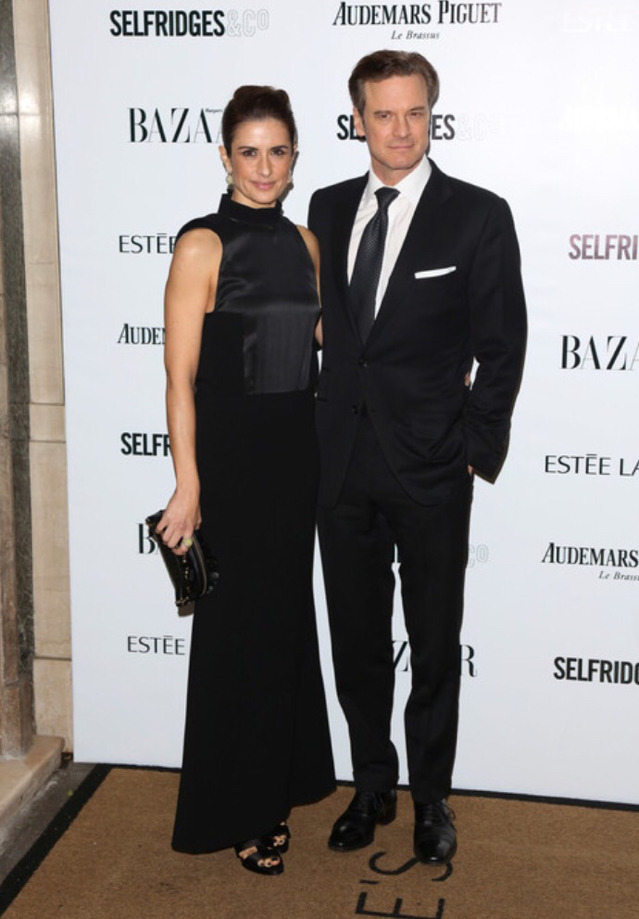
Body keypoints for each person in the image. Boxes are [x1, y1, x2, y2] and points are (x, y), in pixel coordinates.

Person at [308, 50, 526, 865]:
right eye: (383, 114)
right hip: (341, 465)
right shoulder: (327, 207)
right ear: (357, 120)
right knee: (356, 640)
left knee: (434, 644)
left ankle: (431, 796)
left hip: (432, 465)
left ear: (431, 115)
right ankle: (370, 784)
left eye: (414, 113)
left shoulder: (477, 215)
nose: (400, 130)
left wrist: (473, 447)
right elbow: (329, 330)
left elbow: (502, 345)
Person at [157, 85, 335, 876]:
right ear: (225, 157)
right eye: (249, 152)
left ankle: (278, 786)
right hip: (231, 463)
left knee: (283, 627)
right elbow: (179, 378)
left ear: (295, 156)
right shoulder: (202, 244)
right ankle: (240, 806)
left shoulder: (306, 243)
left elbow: (327, 341)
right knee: (236, 637)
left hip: (295, 455)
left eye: (278, 151)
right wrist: (187, 483)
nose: (264, 167)